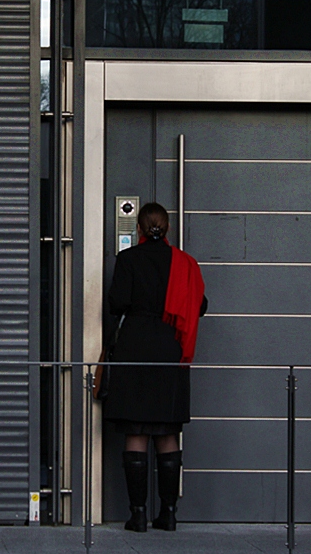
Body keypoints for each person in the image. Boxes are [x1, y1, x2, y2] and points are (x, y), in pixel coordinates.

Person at [103, 202, 207, 532]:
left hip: (134, 346)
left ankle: (136, 514)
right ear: (167, 228)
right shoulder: (185, 263)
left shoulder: (129, 259)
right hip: (168, 349)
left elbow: (116, 302)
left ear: (139, 229)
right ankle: (169, 513)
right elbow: (200, 306)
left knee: (136, 429)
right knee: (167, 429)